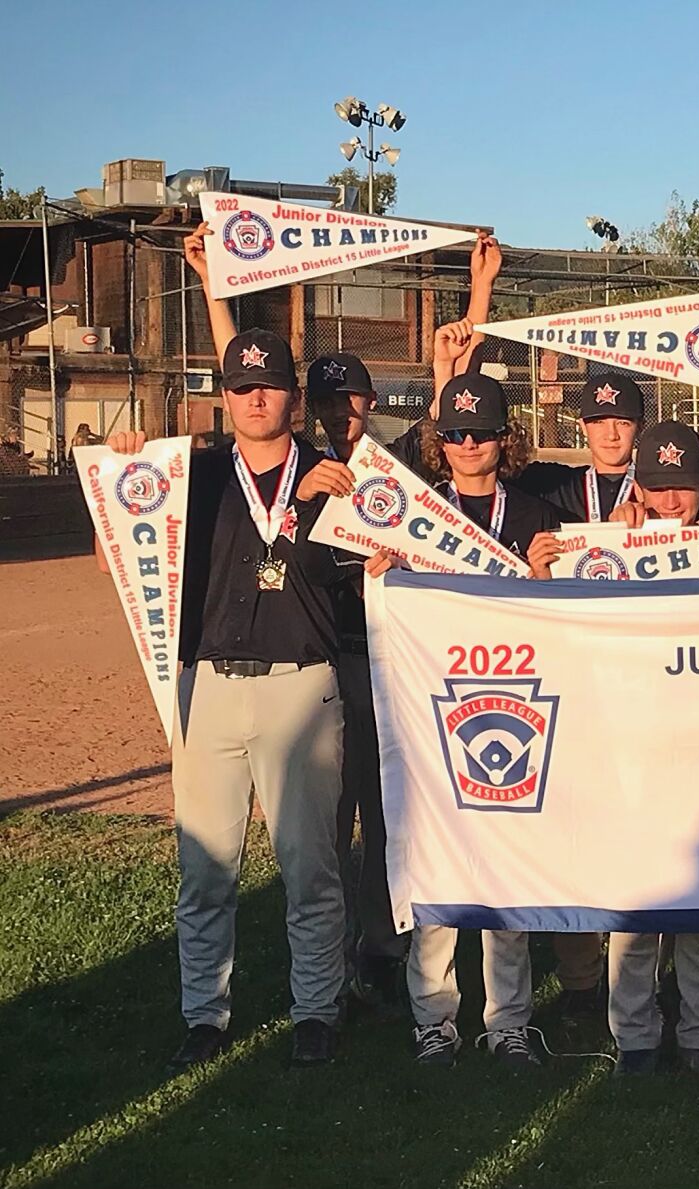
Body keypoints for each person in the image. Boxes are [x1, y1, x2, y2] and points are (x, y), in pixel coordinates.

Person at [106, 328, 352, 1069]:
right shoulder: (192, 473)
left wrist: (315, 512)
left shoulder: (333, 474)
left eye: (269, 384)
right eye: (241, 385)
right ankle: (204, 1016)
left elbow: (371, 564)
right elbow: (116, 545)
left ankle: (317, 1008)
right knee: (205, 866)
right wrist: (125, 478)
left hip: (300, 685)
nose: (255, 396)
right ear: (225, 393)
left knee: (310, 867)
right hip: (205, 684)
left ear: (293, 397)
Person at [361, 374, 564, 1069]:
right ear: (437, 442)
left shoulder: (537, 516)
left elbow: (563, 620)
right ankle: (434, 1020)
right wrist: (379, 574)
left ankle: (508, 1020)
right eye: (454, 433)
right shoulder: (416, 516)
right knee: (436, 866)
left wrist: (548, 580)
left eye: (480, 432)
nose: (468, 444)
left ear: (505, 439)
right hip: (433, 711)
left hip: (516, 706)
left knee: (505, 869)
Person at [605, 420, 699, 1079]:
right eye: (656, 486)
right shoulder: (612, 545)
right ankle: (634, 1037)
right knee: (636, 898)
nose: (668, 501)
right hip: (634, 737)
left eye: (681, 487)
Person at [292, 350, 410, 1006]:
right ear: (313, 407)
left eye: (353, 397)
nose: (343, 410)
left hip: (382, 657)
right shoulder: (302, 472)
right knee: (330, 816)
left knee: (383, 806)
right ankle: (328, 952)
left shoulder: (396, 468)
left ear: (371, 400)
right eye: (330, 399)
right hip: (322, 654)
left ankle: (382, 946)